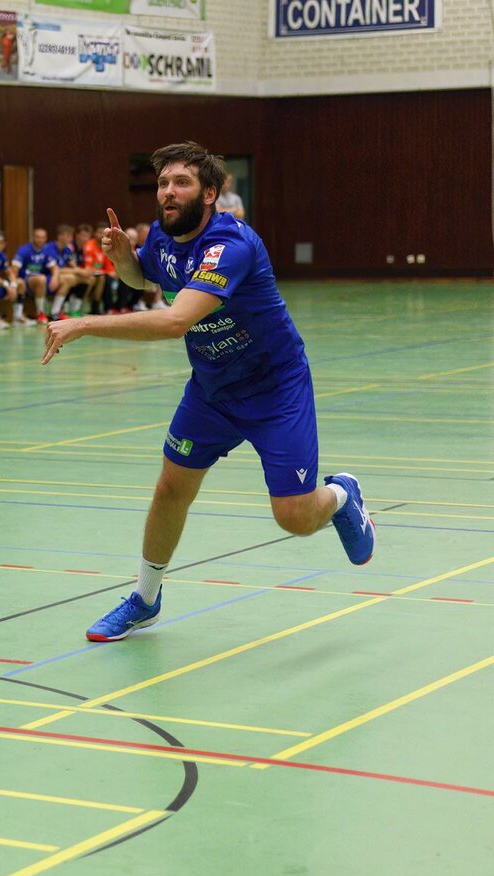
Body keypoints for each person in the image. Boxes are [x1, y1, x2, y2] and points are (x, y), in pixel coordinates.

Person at [41, 141, 374, 642]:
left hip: (274, 388)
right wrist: (124, 261)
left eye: (181, 183)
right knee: (171, 488)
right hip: (212, 388)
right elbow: (145, 277)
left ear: (211, 194)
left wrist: (83, 324)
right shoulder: (163, 234)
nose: (167, 192)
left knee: (295, 517)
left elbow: (176, 320)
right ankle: (144, 598)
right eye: (162, 183)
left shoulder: (229, 245)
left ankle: (342, 494)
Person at [11, 227, 58, 324]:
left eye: (42, 237)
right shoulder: (24, 249)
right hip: (26, 280)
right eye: (37, 237)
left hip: (42, 280)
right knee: (41, 279)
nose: (40, 240)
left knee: (63, 279)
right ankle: (40, 313)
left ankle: (57, 312)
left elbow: (54, 268)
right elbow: (14, 268)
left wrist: (55, 277)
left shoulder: (46, 250)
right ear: (32, 237)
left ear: (46, 239)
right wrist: (13, 284)